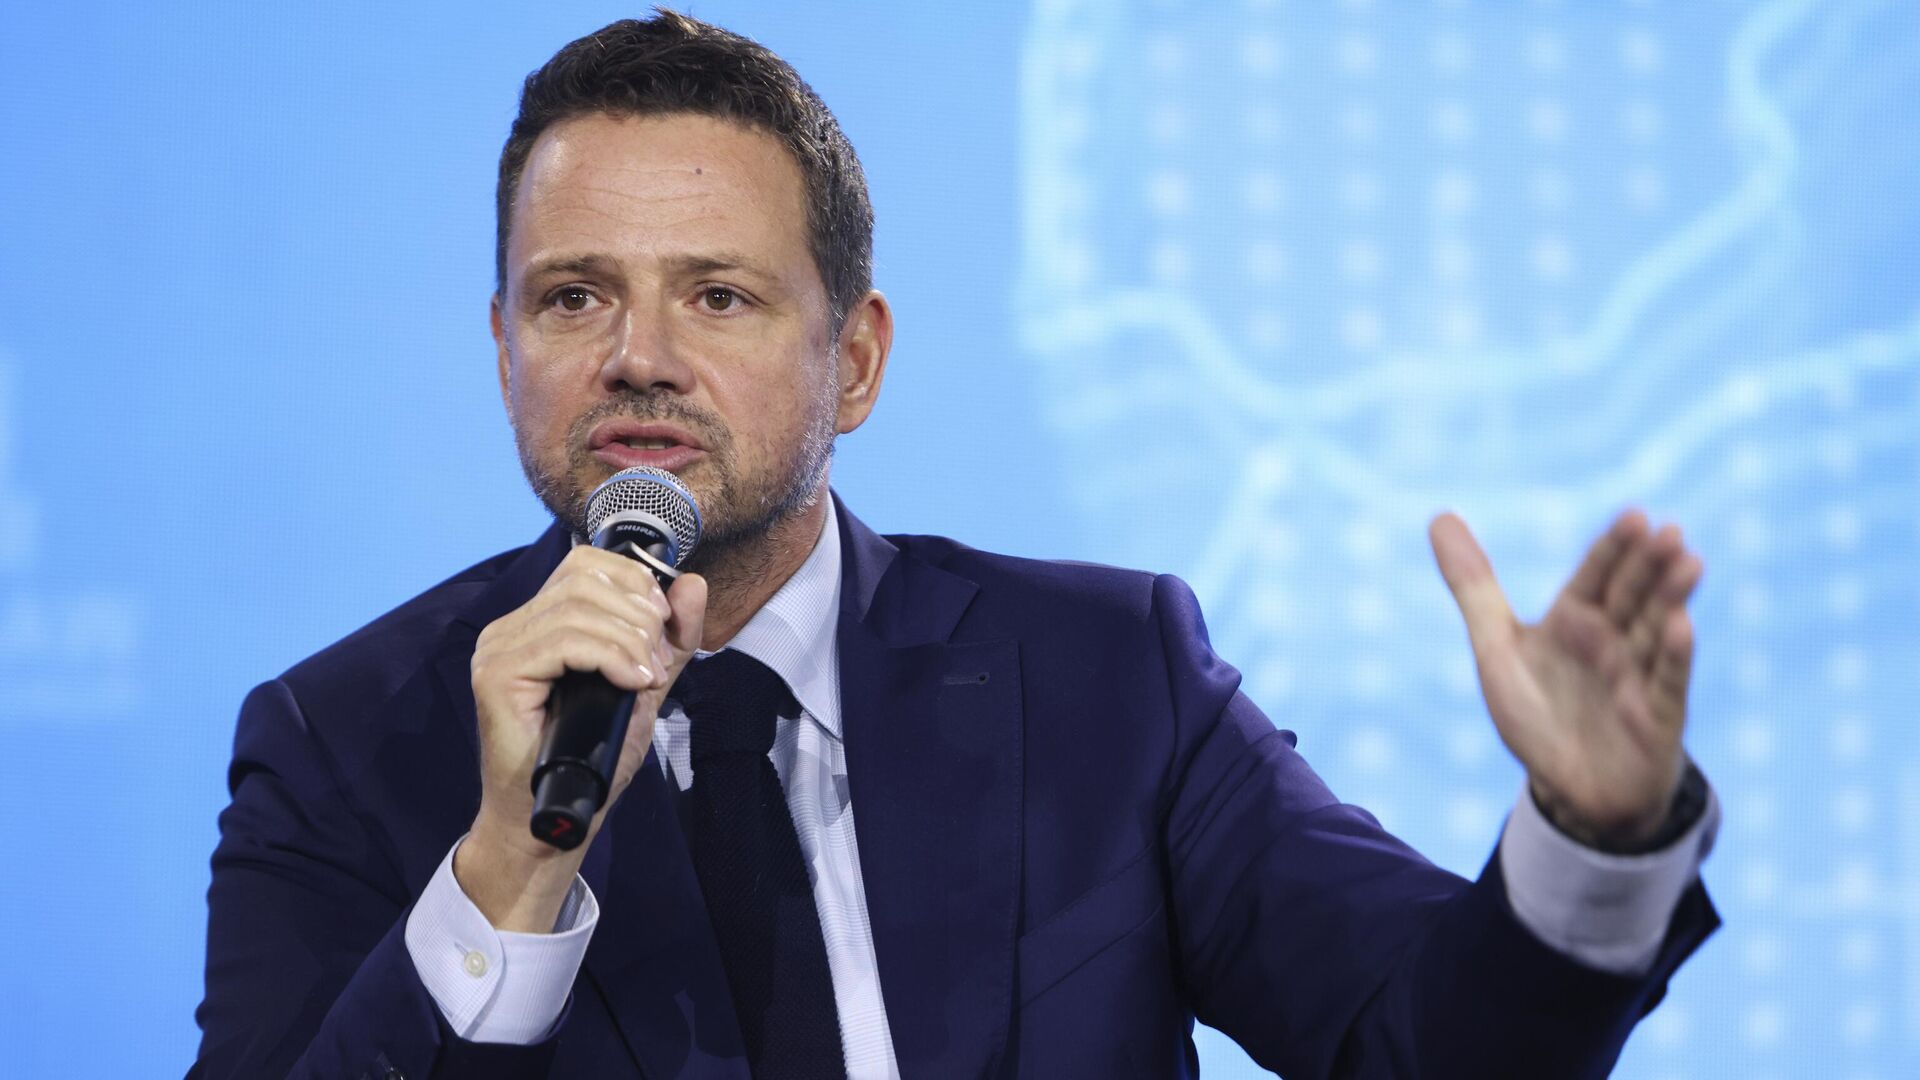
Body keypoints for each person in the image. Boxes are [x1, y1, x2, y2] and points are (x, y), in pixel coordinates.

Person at [191, 11, 1721, 1079]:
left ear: (855, 361)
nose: (637, 357)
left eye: (718, 296)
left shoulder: (1110, 680)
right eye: (574, 297)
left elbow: (1426, 1048)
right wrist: (506, 872)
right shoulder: (345, 742)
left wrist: (1592, 837)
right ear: (504, 347)